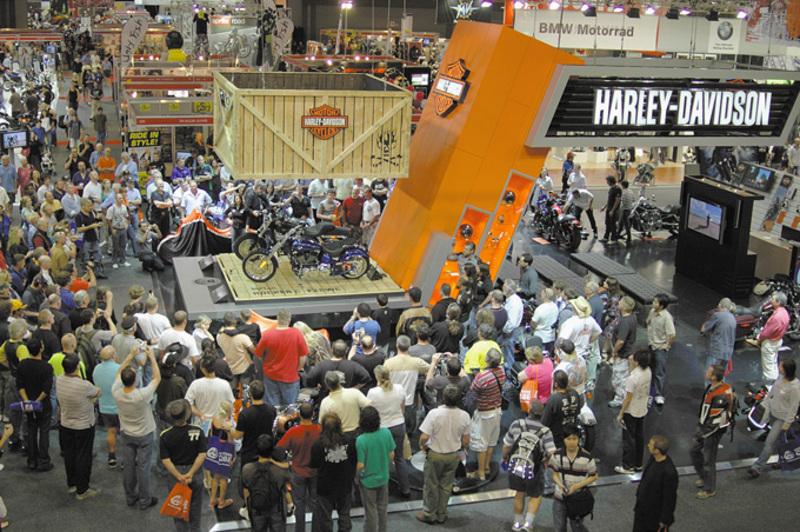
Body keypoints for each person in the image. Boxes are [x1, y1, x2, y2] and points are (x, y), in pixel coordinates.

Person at [113, 344, 161, 510]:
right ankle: (145, 499)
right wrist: (152, 357)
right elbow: (156, 378)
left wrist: (130, 355)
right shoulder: (141, 395)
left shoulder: (117, 392)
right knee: (143, 467)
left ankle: (130, 497)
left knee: (129, 466)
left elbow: (118, 372)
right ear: (135, 380)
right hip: (144, 434)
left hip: (127, 433)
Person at [416, 384, 471, 524]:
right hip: (453, 455)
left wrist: (422, 446)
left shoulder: (434, 413)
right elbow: (466, 441)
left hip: (435, 454)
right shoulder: (465, 416)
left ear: (443, 398)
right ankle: (441, 514)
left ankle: (429, 513)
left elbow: (424, 437)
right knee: (446, 486)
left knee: (431, 485)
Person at [502, 399, 556, 532]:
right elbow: (551, 452)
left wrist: (505, 458)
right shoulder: (545, 431)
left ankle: (517, 523)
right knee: (536, 495)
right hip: (535, 469)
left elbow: (506, 446)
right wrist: (545, 461)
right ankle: (528, 524)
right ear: (541, 414)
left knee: (519, 494)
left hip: (516, 466)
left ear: (529, 410)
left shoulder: (516, 424)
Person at [57, 354, 101, 500]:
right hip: (83, 426)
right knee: (83, 456)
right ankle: (83, 490)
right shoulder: (84, 385)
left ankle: (72, 483)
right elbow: (97, 392)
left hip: (65, 424)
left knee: (69, 454)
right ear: (77, 367)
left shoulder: (59, 380)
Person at [747, 357, 800, 479]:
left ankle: (757, 467)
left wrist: (787, 423)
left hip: (782, 419)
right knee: (782, 441)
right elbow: (772, 392)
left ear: (787, 370)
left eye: (781, 366)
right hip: (772, 414)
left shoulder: (795, 387)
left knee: (769, 442)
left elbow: (793, 407)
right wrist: (764, 403)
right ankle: (783, 461)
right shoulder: (780, 378)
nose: (778, 367)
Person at [159, 399, 207, 532]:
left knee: (178, 508)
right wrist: (190, 473)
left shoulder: (165, 435)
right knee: (196, 507)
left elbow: (165, 460)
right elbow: (202, 454)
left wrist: (179, 476)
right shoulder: (198, 431)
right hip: (195, 473)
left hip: (175, 475)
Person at [277, 402, 321, 532]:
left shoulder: (293, 432)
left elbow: (279, 449)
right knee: (315, 503)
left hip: (297, 473)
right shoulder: (319, 430)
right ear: (313, 415)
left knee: (299, 505)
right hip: (315, 472)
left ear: (299, 415)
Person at [691, 364, 733, 499]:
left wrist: (703, 433)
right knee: (694, 451)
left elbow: (715, 420)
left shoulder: (720, 396)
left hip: (711, 431)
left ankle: (709, 489)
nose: (706, 372)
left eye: (708, 371)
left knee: (709, 459)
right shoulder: (714, 388)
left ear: (714, 376)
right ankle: (704, 477)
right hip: (705, 427)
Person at [368, 365, 411, 497]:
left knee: (381, 459)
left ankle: (383, 491)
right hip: (398, 425)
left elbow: (371, 412)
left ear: (377, 377)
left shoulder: (373, 392)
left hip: (381, 428)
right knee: (399, 458)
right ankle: (406, 489)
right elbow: (403, 409)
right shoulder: (399, 388)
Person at [310, 414, 357, 532]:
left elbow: (314, 465)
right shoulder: (350, 441)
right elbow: (354, 460)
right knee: (345, 515)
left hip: (325, 488)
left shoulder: (318, 445)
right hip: (345, 485)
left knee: (325, 518)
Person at [549, 424, 598, 532]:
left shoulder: (587, 457)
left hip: (577, 498)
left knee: (576, 525)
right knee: (559, 526)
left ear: (579, 439)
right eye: (568, 439)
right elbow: (555, 474)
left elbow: (593, 476)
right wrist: (559, 484)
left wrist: (576, 486)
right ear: (563, 440)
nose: (571, 442)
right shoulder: (557, 455)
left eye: (574, 438)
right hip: (560, 496)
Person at [255, 309, 308, 407]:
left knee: (273, 407)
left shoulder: (267, 334)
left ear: (277, 319)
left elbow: (258, 354)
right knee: (290, 408)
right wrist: (298, 369)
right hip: (290, 377)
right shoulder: (296, 334)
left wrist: (266, 363)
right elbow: (303, 356)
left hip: (270, 376)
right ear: (289, 319)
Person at [15, 338, 54, 471]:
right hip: (42, 404)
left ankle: (32, 460)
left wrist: (27, 401)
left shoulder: (22, 365)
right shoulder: (47, 367)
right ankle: (43, 461)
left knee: (31, 430)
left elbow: (20, 385)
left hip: (27, 402)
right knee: (44, 431)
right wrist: (37, 401)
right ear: (41, 349)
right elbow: (46, 389)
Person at [355, 406, 395, 532]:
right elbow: (391, 454)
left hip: (368, 481)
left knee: (370, 511)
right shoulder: (386, 432)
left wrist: (357, 477)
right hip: (383, 477)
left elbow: (360, 465)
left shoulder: (361, 440)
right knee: (383, 509)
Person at [468, 348, 506, 481]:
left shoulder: (482, 377)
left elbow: (473, 391)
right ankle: (487, 466)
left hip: (484, 413)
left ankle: (481, 472)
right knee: (491, 442)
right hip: (497, 410)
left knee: (481, 444)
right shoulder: (501, 372)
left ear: (487, 360)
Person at [241, 434, 292, 532]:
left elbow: (246, 491)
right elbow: (285, 490)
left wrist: (248, 508)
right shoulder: (280, 471)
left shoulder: (247, 469)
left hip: (257, 508)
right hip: (276, 509)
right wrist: (290, 505)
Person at [615, 349, 653, 475]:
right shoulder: (648, 371)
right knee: (639, 436)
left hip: (631, 411)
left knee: (628, 439)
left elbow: (628, 398)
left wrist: (621, 413)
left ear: (637, 361)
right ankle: (638, 463)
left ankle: (627, 466)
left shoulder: (632, 378)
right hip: (642, 408)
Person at [383, 335, 429, 434]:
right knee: (409, 430)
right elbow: (430, 368)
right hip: (409, 402)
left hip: (393, 401)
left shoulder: (388, 363)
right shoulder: (416, 362)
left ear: (397, 345)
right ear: (409, 347)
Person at [633, 435, 679, 532]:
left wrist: (664, 520)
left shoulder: (669, 472)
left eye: (650, 444)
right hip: (642, 508)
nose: (648, 446)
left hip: (654, 515)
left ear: (657, 450)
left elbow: (670, 498)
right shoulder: (653, 458)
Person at [747, 291, 789, 383]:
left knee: (768, 366)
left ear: (778, 302)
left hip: (770, 343)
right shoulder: (785, 313)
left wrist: (759, 339)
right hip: (777, 341)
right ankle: (774, 381)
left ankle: (768, 387)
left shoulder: (777, 317)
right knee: (773, 363)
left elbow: (767, 333)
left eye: (773, 300)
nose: (771, 301)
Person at [185, 356, 235, 432]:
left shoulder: (195, 384)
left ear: (202, 369)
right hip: (220, 423)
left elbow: (188, 403)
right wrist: (228, 419)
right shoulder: (225, 384)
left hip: (201, 423)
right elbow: (230, 405)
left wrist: (200, 414)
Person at [92, 346, 121, 468]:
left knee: (111, 431)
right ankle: (127, 460)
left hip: (104, 407)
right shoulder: (119, 369)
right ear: (114, 355)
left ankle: (112, 456)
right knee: (125, 433)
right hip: (119, 407)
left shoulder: (96, 369)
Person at [647, 294, 676, 405]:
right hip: (651, 345)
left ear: (661, 305)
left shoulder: (667, 317)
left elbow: (672, 334)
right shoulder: (652, 312)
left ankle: (658, 394)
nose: (653, 304)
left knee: (659, 371)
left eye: (655, 302)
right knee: (650, 369)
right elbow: (648, 322)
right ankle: (648, 391)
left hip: (660, 348)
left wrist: (667, 346)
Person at [609, 296, 638, 408]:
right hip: (628, 352)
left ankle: (620, 398)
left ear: (624, 306)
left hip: (623, 354)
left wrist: (614, 351)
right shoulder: (632, 317)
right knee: (623, 375)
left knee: (619, 377)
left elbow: (621, 341)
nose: (618, 303)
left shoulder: (625, 322)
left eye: (620, 302)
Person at [701, 298, 737, 371]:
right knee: (720, 375)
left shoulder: (718, 315)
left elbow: (704, 328)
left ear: (720, 305)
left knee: (710, 373)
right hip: (728, 352)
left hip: (717, 350)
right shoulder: (733, 318)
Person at [532, 288, 558, 353]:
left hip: (540, 337)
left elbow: (533, 323)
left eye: (542, 293)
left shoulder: (540, 309)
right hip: (551, 337)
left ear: (545, 295)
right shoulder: (555, 306)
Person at [600, 175, 622, 243]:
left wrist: (612, 210)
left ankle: (614, 238)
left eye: (607, 181)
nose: (607, 182)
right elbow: (609, 200)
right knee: (607, 223)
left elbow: (617, 200)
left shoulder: (617, 189)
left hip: (613, 210)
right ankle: (606, 237)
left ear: (610, 181)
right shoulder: (611, 189)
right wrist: (604, 206)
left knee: (613, 224)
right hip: (609, 209)